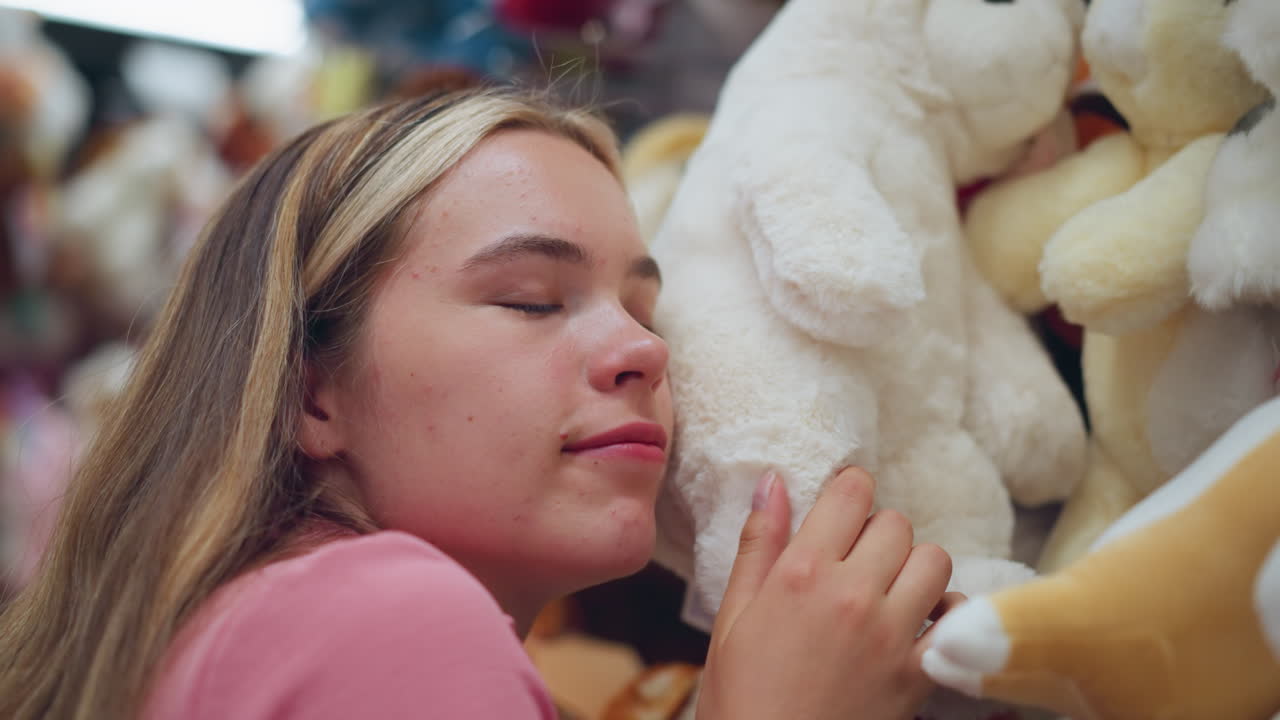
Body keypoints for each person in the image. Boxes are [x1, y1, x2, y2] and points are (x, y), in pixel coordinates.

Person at [0, 88, 960, 720]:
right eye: (532, 300)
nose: (644, 350)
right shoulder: (381, 617)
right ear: (313, 391)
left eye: (643, 308)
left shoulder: (260, 616)